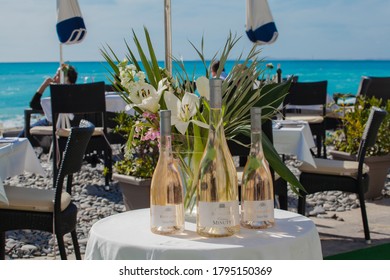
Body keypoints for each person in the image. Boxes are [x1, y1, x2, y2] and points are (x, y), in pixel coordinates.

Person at [18, 64, 78, 137]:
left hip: (54, 124)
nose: (54, 78)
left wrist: (45, 84)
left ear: (66, 78)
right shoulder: (77, 94)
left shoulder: (58, 95)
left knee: (24, 133)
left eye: (58, 75)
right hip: (67, 125)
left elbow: (34, 104)